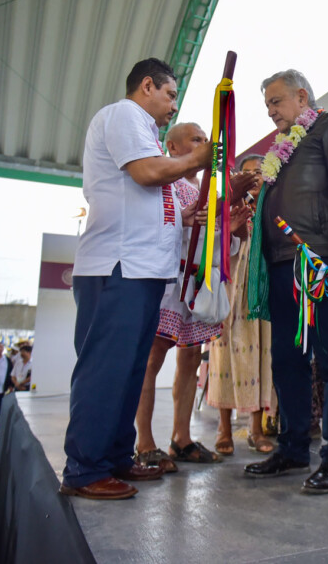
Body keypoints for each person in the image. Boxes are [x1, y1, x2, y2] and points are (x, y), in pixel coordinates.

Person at [61, 58, 216, 500]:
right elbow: (147, 174)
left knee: (129, 372)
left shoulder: (144, 131)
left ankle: (113, 457)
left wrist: (183, 217)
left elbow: (147, 201)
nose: (173, 105)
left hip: (144, 269)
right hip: (118, 266)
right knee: (106, 369)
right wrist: (200, 156)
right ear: (146, 86)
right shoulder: (125, 114)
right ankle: (84, 469)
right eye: (169, 94)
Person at [244, 70, 328, 494]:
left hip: (320, 267)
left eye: (276, 102)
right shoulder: (285, 147)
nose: (271, 112)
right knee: (287, 361)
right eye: (267, 106)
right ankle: (294, 447)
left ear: (302, 97)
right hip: (282, 266)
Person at [134, 122, 253, 471]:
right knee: (151, 360)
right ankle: (144, 441)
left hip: (196, 287)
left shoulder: (205, 187)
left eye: (205, 139)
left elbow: (219, 248)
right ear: (172, 146)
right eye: (196, 139)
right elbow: (164, 230)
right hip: (170, 284)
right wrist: (215, 211)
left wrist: (231, 229)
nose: (204, 144)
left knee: (189, 360)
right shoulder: (162, 182)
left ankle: (181, 438)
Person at [208, 154, 276, 457]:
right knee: (224, 355)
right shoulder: (227, 207)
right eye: (247, 173)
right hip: (230, 288)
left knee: (263, 355)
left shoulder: (274, 207)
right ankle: (224, 429)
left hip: (261, 291)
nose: (253, 178)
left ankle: (256, 428)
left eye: (258, 173)